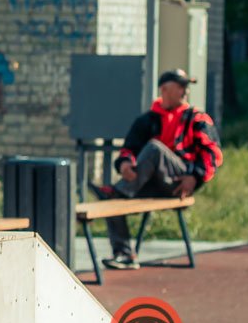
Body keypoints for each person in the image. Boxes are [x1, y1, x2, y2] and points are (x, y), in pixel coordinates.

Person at [92, 68, 223, 269]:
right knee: (113, 200)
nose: (184, 91)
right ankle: (124, 255)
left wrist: (195, 177)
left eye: (186, 87)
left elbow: (213, 154)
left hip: (179, 182)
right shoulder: (146, 121)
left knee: (154, 149)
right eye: (180, 86)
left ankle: (119, 190)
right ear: (164, 89)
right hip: (148, 182)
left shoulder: (197, 119)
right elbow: (128, 150)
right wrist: (126, 164)